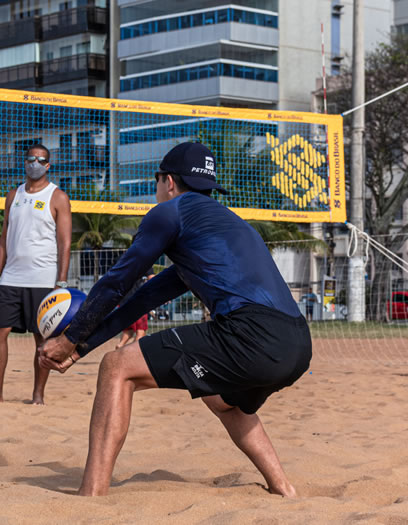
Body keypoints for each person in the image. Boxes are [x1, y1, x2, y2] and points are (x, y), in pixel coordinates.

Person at [39, 142, 311, 497]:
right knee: (221, 401)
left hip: (252, 336)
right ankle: (283, 488)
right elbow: (142, 300)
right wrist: (79, 347)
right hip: (298, 344)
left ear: (168, 181)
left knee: (117, 367)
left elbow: (116, 284)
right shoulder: (221, 226)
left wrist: (68, 338)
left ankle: (91, 495)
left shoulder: (169, 213)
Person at [0, 144, 72, 406]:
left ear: (48, 165)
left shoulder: (58, 196)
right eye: (31, 159)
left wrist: (61, 283)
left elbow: (65, 243)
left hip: (44, 278)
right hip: (11, 278)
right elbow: (4, 239)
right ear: (24, 162)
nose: (35, 163)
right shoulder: (12, 195)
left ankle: (38, 394)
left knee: (42, 340)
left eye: (41, 160)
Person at [114, 271, 154, 349]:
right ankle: (131, 352)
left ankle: (120, 345)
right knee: (140, 332)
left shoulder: (120, 259)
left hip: (123, 302)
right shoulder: (146, 260)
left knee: (128, 330)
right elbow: (151, 278)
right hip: (137, 302)